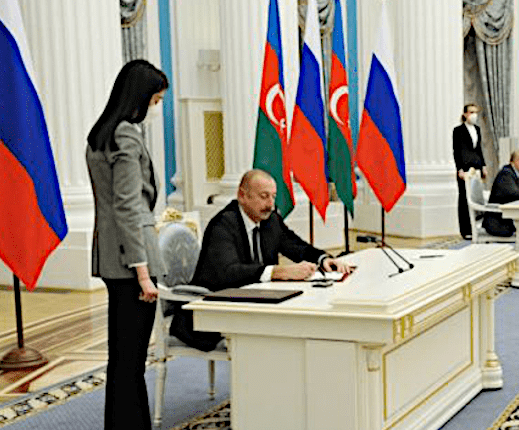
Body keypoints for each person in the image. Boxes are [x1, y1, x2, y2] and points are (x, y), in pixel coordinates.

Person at [170, 169, 352, 351]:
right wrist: (277, 272)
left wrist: (323, 259)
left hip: (253, 304)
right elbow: (228, 272)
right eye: (264, 196)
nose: (270, 204)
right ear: (242, 196)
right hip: (209, 315)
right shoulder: (223, 224)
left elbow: (295, 245)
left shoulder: (270, 220)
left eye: (273, 197)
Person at [86, 59, 168, 430]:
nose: (156, 108)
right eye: (156, 100)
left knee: (121, 357)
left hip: (109, 256)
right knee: (132, 360)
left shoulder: (100, 133)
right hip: (130, 262)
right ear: (141, 98)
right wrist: (144, 274)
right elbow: (128, 205)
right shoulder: (127, 134)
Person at [453, 104, 487, 240]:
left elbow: (479, 149)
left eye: (476, 112)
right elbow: (456, 151)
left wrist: (483, 165)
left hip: (476, 167)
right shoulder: (458, 130)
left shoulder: (477, 129)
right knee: (464, 198)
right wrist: (459, 168)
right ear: (465, 114)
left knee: (475, 196)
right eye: (471, 112)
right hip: (465, 168)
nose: (474, 115)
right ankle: (465, 229)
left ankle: (474, 227)